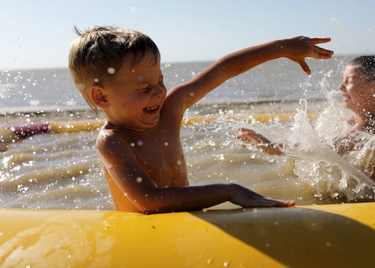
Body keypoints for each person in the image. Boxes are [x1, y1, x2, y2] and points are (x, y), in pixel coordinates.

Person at [68, 26, 334, 214]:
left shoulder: (170, 110)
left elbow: (224, 70)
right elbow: (149, 201)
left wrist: (282, 48)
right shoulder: (113, 141)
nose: (159, 91)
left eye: (160, 80)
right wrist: (229, 191)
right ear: (101, 98)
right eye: (143, 88)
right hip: (144, 237)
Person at [237, 55, 375, 156]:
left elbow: (315, 149)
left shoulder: (371, 129)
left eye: (349, 81)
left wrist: (270, 146)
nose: (340, 86)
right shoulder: (358, 122)